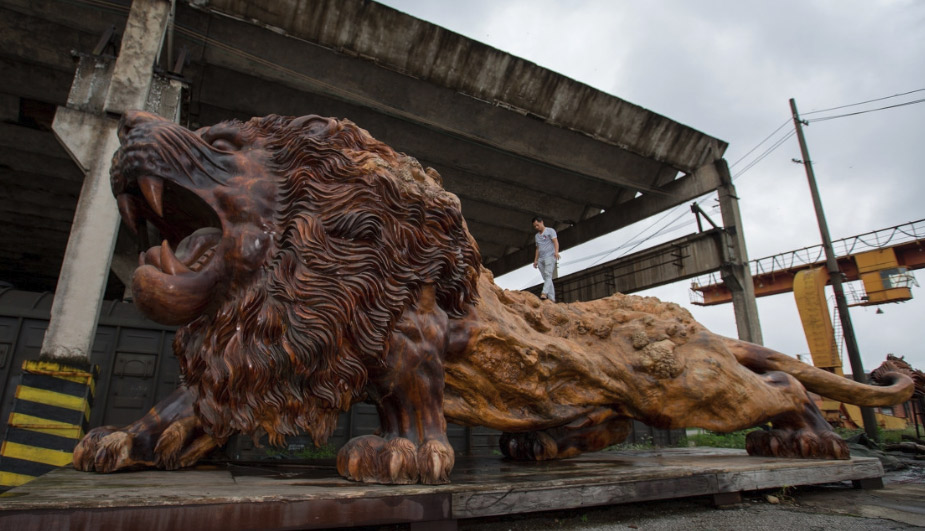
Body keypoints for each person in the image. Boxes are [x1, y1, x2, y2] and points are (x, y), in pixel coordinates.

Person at [532, 216, 559, 301]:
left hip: (550, 256)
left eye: (537, 225)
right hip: (541, 259)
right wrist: (535, 260)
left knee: (548, 275)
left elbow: (555, 241)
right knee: (547, 278)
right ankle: (551, 299)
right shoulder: (537, 236)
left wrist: (556, 252)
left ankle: (544, 293)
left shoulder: (550, 231)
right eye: (535, 226)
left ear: (541, 222)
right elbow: (537, 248)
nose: (536, 227)